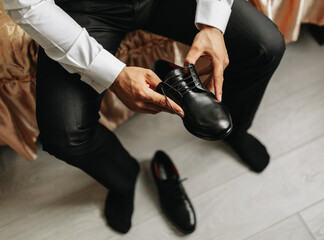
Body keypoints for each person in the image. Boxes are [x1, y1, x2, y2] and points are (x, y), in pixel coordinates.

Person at [3, 0, 285, 234]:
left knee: (267, 45)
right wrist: (112, 73)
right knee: (64, 134)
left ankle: (236, 129)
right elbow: (29, 5)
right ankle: (124, 178)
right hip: (82, 9)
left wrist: (213, 22)